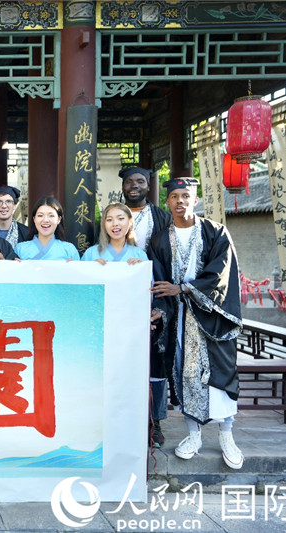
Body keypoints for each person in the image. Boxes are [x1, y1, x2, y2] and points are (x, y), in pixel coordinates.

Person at [150, 178, 244, 470]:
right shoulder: (160, 239)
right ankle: (194, 435)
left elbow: (222, 274)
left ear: (196, 200)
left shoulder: (216, 232)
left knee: (221, 373)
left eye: (186, 196)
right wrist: (158, 309)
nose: (180, 201)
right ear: (167, 202)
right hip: (179, 318)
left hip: (213, 317)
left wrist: (185, 289)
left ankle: (227, 434)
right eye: (174, 196)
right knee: (185, 373)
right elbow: (158, 280)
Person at [120, 166, 174, 448]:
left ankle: (156, 422)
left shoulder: (163, 218)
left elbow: (169, 262)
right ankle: (122, 419)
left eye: (140, 181)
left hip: (154, 294)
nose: (134, 186)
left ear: (148, 184)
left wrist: (164, 302)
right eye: (129, 181)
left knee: (155, 361)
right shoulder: (115, 214)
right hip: (120, 301)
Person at [14, 197, 79, 261]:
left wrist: (72, 268)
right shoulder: (20, 249)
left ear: (59, 219)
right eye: (40, 215)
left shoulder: (69, 250)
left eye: (51, 216)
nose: (45, 220)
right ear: (34, 219)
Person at [81, 202, 148, 264]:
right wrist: (90, 268)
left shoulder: (139, 254)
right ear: (104, 224)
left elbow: (147, 276)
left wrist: (140, 268)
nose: (115, 224)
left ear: (130, 221)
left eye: (121, 218)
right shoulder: (91, 253)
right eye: (109, 220)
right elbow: (79, 276)